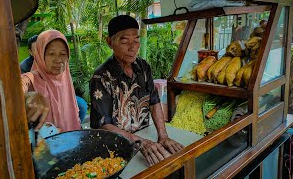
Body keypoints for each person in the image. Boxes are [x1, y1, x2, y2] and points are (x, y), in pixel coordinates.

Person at [90, 15, 184, 166]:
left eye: (136, 40)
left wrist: (163, 136)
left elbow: (154, 102)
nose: (132, 47)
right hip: (117, 147)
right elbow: (103, 125)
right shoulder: (101, 77)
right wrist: (139, 142)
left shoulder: (143, 67)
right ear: (110, 42)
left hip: (145, 137)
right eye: (124, 41)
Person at [21, 30, 81, 132]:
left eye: (63, 54)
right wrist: (28, 96)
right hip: (43, 146)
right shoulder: (34, 77)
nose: (58, 60)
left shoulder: (66, 79)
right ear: (40, 55)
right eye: (51, 54)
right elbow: (18, 85)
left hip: (70, 143)